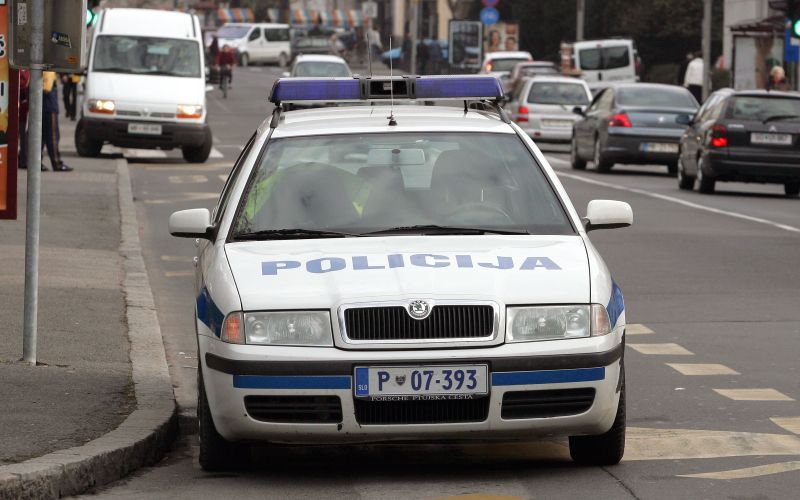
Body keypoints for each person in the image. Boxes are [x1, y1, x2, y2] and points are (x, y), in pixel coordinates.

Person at [42, 71, 72, 172]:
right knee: (53, 135)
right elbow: (47, 87)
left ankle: (36, 161)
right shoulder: (49, 69)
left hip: (43, 103)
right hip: (49, 104)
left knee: (41, 135)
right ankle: (56, 162)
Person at [18, 69, 31, 170]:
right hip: (22, 109)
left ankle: (23, 159)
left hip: (24, 109)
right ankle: (23, 160)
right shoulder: (25, 72)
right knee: (23, 135)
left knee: (24, 135)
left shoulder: (27, 71)